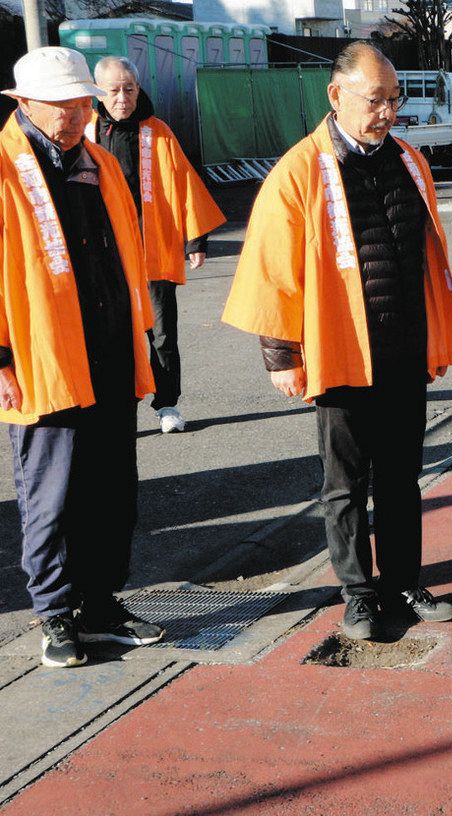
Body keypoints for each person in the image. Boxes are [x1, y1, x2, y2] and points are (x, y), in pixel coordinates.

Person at [222, 42, 452, 640]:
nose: (387, 112)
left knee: (403, 474)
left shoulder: (410, 160)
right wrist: (282, 355)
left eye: (394, 99)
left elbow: (426, 257)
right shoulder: (299, 170)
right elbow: (271, 270)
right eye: (375, 99)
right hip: (338, 350)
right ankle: (358, 593)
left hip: (403, 348)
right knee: (344, 484)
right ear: (337, 96)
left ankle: (404, 581)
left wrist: (431, 336)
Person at [1, 47, 165, 667]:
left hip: (107, 349)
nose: (74, 115)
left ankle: (100, 605)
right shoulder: (5, 167)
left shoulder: (97, 160)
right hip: (43, 356)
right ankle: (55, 616)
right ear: (24, 105)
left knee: (111, 487)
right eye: (61, 105)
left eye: (79, 103)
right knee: (52, 491)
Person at [88, 56, 226, 434]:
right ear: (98, 93)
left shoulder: (157, 131)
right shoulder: (84, 131)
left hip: (152, 248)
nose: (122, 98)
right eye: (113, 90)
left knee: (162, 333)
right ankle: (118, 406)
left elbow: (184, 181)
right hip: (104, 254)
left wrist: (196, 239)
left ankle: (167, 404)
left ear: (138, 88)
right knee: (112, 334)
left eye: (129, 89)